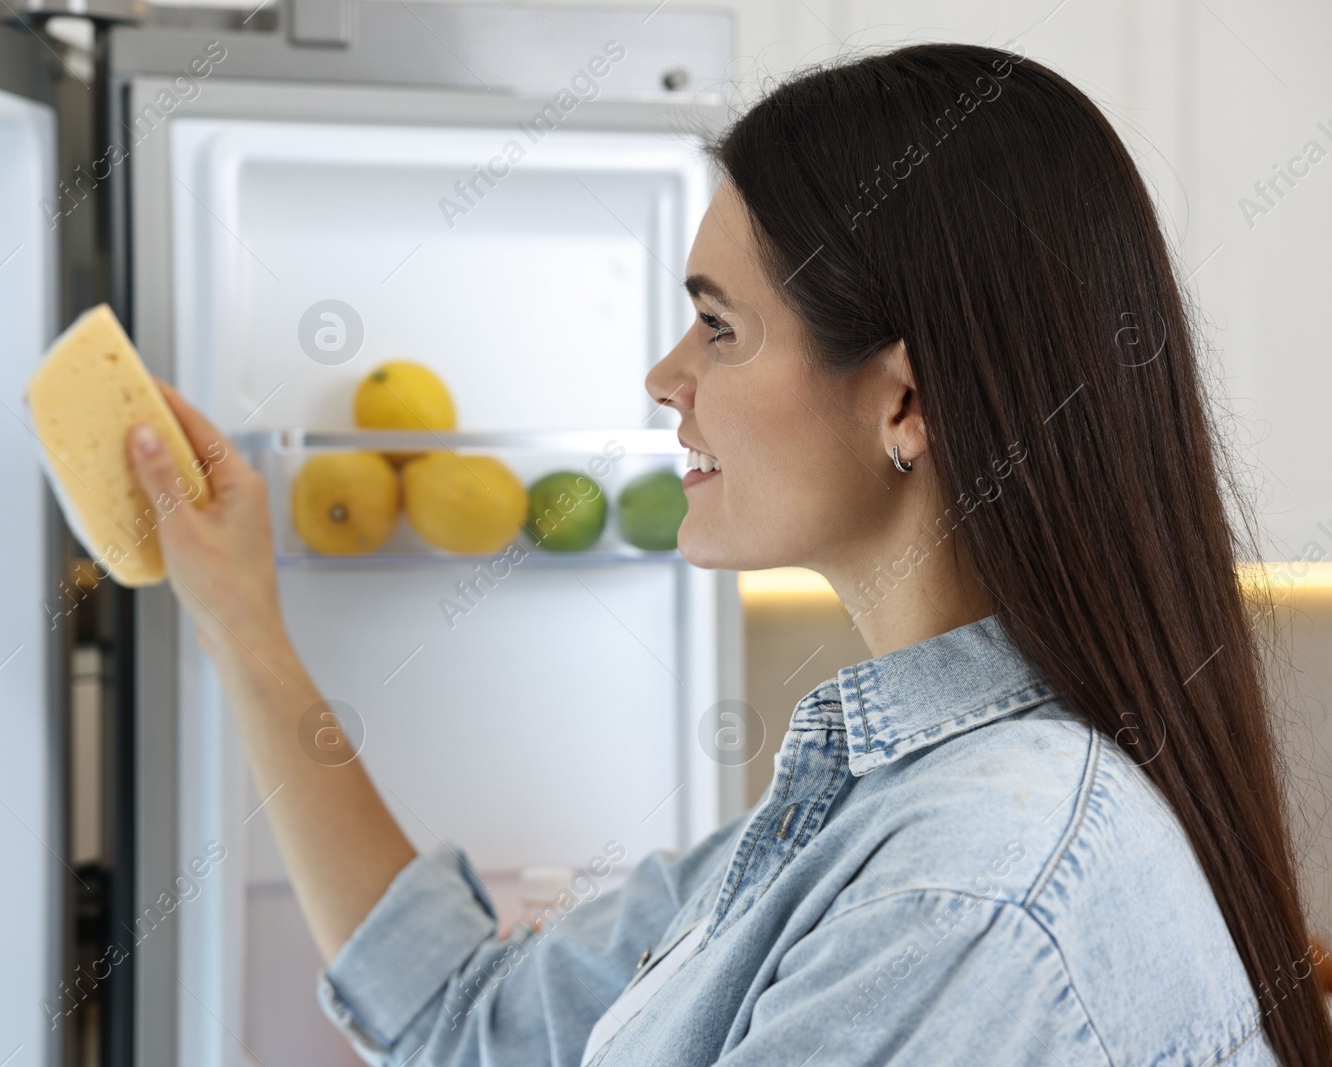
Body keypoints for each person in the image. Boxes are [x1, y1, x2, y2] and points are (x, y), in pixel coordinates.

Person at [124, 42, 1331, 1067]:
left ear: (904, 403)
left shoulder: (961, 891)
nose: (665, 378)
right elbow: (467, 1019)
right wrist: (239, 617)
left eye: (718, 327)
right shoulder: (874, 804)